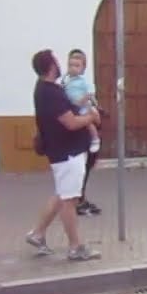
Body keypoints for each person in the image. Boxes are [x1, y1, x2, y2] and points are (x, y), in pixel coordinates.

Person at [25, 49, 102, 262]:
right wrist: (91, 118)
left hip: (63, 151)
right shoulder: (51, 92)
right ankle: (75, 247)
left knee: (62, 194)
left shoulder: (47, 89)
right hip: (68, 153)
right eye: (56, 62)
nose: (60, 65)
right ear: (50, 66)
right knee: (70, 200)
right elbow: (70, 122)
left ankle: (37, 233)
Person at [62, 49, 101, 216]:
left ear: (84, 67)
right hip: (73, 129)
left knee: (85, 166)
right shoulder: (64, 82)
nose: (73, 68)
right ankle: (77, 200)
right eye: (71, 64)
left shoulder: (84, 83)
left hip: (84, 118)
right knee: (78, 169)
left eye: (77, 65)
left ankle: (80, 198)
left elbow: (91, 100)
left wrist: (91, 105)